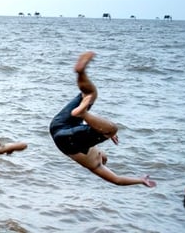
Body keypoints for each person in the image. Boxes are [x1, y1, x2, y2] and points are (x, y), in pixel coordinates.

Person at [48, 51, 156, 187]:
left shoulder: (95, 165)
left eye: (105, 160)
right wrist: (140, 180)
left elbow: (117, 180)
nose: (105, 158)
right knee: (91, 93)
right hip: (58, 126)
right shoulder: (94, 150)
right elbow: (117, 179)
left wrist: (140, 180)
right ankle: (81, 73)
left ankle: (84, 114)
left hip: (67, 139)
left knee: (111, 129)